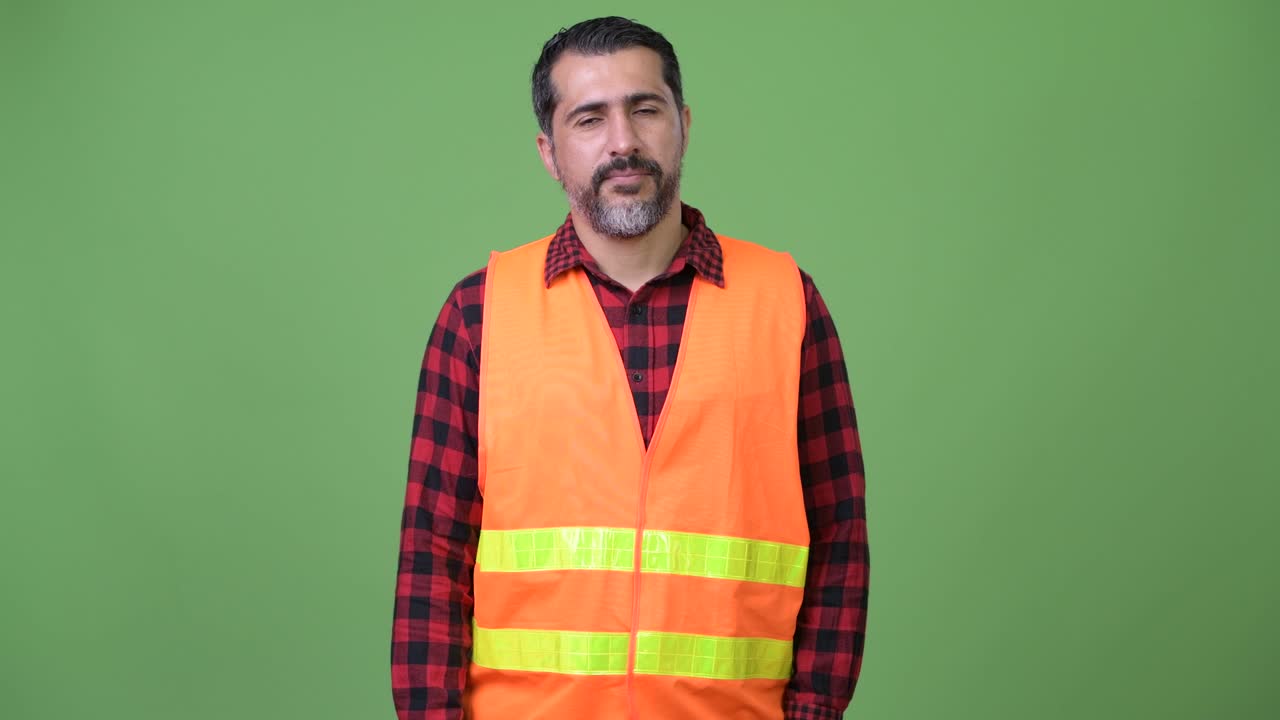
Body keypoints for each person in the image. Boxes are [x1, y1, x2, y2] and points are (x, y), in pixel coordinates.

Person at [391, 16, 868, 720]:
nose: (623, 141)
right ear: (549, 152)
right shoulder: (478, 313)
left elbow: (839, 539)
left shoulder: (787, 303)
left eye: (645, 109)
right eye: (589, 119)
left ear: (684, 125)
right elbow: (434, 555)